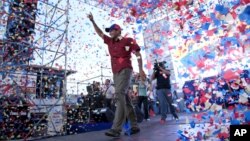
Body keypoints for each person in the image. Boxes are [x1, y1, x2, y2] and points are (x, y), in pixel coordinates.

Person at [87, 12, 146, 137]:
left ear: (118, 30)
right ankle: (134, 126)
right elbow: (100, 33)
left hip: (126, 69)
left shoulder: (128, 40)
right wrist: (92, 21)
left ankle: (116, 129)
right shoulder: (110, 42)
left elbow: (138, 54)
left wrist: (140, 69)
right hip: (116, 73)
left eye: (112, 30)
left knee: (119, 93)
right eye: (109, 31)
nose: (110, 32)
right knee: (125, 98)